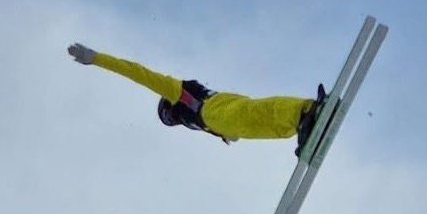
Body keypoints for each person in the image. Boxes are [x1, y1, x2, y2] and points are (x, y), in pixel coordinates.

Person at [67, 43, 326, 155]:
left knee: (257, 113)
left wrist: (96, 59)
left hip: (217, 110)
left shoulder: (175, 92)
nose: (174, 120)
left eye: (169, 117)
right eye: (171, 123)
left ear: (168, 107)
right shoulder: (192, 119)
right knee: (260, 126)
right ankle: (300, 126)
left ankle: (304, 112)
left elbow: (139, 74)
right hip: (220, 118)